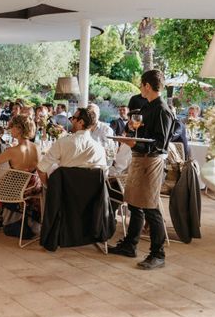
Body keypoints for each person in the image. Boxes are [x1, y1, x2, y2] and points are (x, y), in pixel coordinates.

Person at [108, 70, 175, 270]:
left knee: (150, 207)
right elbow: (142, 133)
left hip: (152, 162)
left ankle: (158, 254)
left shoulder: (162, 109)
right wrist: (131, 130)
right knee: (135, 204)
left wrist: (132, 143)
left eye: (141, 84)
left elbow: (160, 144)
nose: (140, 88)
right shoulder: (147, 107)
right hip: (139, 159)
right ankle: (130, 245)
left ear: (147, 85)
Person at [37, 107, 107, 186]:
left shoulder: (62, 143)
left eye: (73, 118)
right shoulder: (100, 149)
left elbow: (41, 169)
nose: (70, 120)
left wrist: (50, 188)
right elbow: (103, 176)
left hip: (63, 195)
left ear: (81, 122)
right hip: (90, 197)